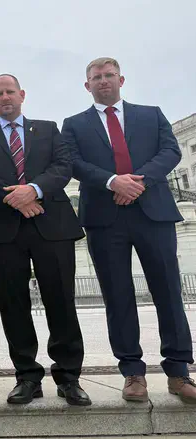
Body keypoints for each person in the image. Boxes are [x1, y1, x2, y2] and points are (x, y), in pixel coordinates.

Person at [63, 57, 195, 404]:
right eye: (96, 77)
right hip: (105, 218)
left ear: (121, 79)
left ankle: (179, 370)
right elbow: (73, 163)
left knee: (168, 292)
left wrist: (139, 180)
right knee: (118, 297)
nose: (103, 81)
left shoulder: (150, 114)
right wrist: (112, 181)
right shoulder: (74, 124)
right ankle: (132, 371)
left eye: (109, 75)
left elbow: (170, 151)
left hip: (152, 211)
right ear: (86, 85)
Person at [0, 74, 90, 406]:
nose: (5, 97)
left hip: (51, 223)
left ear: (22, 95)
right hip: (3, 228)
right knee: (13, 304)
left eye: (10, 92)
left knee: (61, 301)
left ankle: (68, 377)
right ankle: (26, 376)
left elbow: (63, 167)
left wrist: (33, 190)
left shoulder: (49, 128)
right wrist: (17, 198)